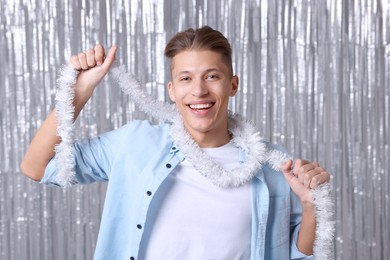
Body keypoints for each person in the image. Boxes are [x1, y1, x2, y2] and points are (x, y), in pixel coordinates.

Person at [20, 26, 330, 259]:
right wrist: (80, 91)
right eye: (185, 79)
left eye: (212, 76)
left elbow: (297, 253)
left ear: (233, 85)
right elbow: (38, 167)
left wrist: (309, 204)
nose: (199, 91)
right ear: (171, 90)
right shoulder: (135, 144)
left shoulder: (275, 164)